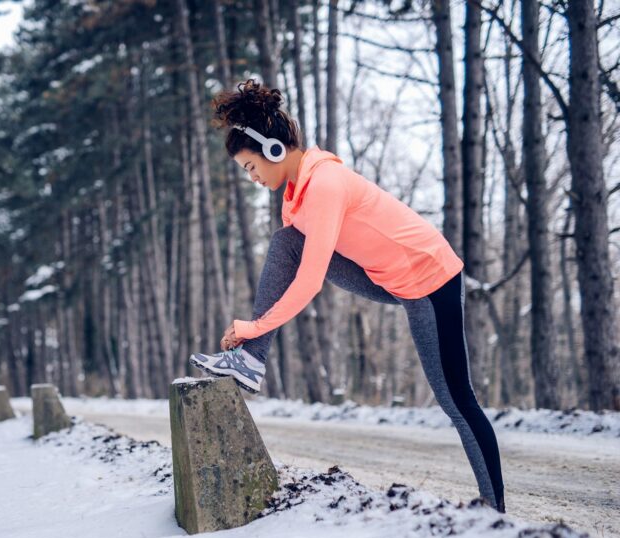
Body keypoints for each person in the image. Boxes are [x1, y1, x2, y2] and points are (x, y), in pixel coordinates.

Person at [188, 79, 505, 514]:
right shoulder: (296, 198)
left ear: (275, 150)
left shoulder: (326, 184)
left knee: (456, 401)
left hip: (430, 281)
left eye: (250, 167)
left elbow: (310, 280)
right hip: (387, 278)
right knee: (286, 243)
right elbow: (296, 263)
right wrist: (255, 336)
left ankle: (495, 510)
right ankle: (251, 360)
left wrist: (255, 325)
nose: (254, 178)